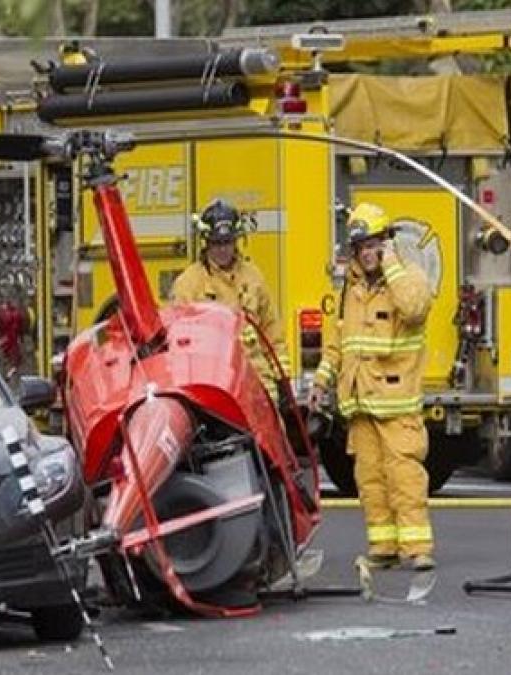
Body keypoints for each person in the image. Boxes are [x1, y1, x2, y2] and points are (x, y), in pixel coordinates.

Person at [308, 202, 436, 571]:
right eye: (362, 247)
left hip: (396, 404)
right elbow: (340, 342)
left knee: (405, 477)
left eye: (374, 245)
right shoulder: (352, 290)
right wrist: (322, 381)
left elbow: (413, 309)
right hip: (361, 404)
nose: (368, 253)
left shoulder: (407, 276)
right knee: (370, 479)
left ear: (387, 244)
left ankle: (417, 548)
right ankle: (383, 545)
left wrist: (392, 262)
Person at [170, 198, 290, 398]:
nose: (223, 249)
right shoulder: (188, 284)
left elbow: (272, 332)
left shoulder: (253, 277)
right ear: (206, 243)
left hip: (258, 382)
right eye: (216, 243)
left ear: (236, 240)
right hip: (214, 384)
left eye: (227, 242)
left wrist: (283, 379)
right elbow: (178, 345)